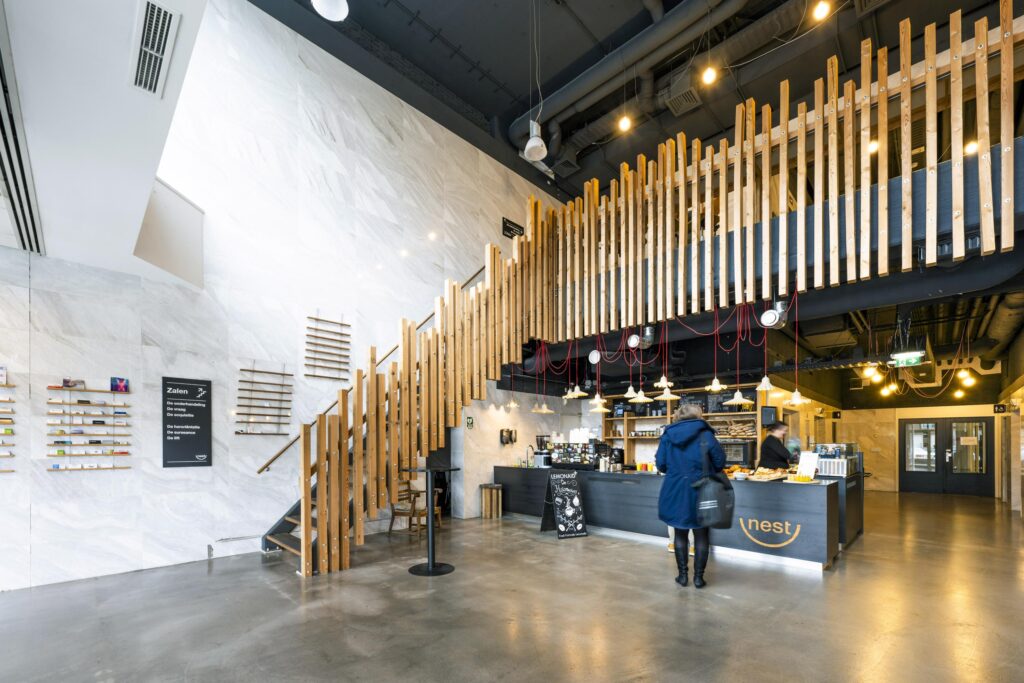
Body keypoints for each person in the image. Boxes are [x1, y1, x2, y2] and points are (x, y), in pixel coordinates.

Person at [656, 403, 726, 589]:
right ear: (699, 415)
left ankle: (683, 576)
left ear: (678, 416)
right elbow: (720, 462)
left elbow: (661, 464)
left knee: (680, 532)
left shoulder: (668, 435)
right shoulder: (706, 434)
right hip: (703, 489)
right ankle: (699, 578)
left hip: (676, 489)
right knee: (702, 534)